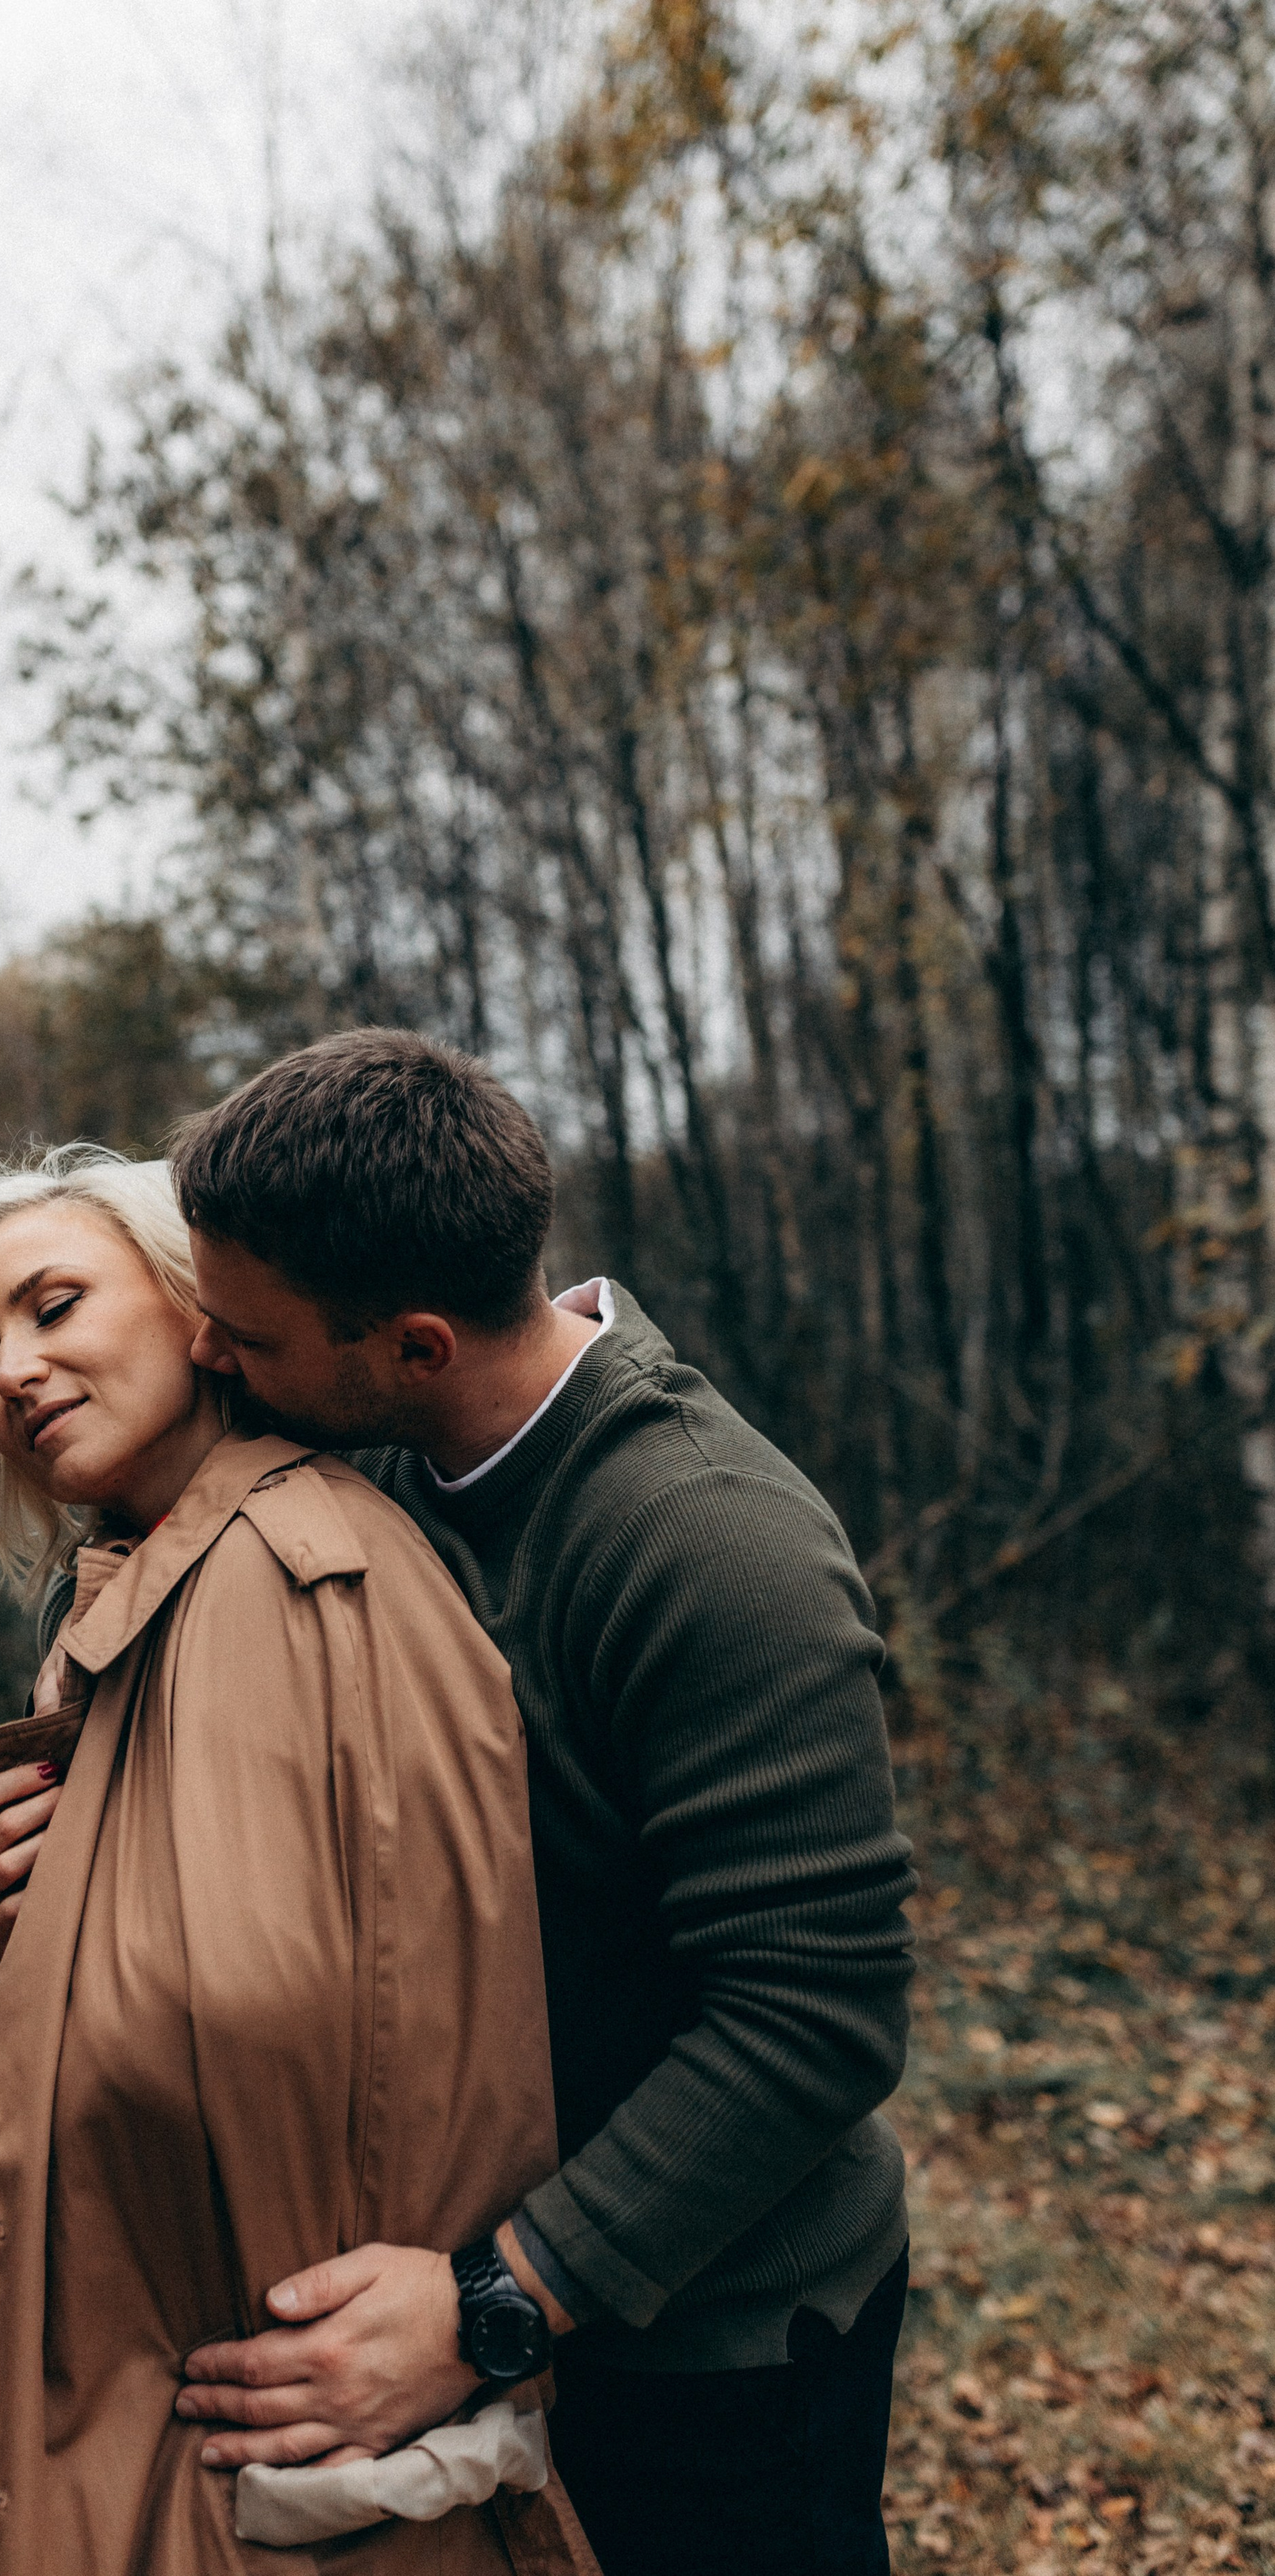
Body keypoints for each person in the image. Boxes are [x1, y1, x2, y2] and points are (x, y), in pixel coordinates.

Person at [167, 1031, 918, 2576]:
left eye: (245, 1335)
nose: (209, 1357)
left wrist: (496, 2301)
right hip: (490, 2285)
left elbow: (817, 2012)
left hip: (712, 2348)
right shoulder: (375, 1469)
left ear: (416, 1345)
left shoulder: (707, 1546)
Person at [0, 1146, 600, 2576]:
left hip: (244, 2392)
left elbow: (291, 2022)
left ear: (193, 1303)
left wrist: (1, 2074)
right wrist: (9, 1944)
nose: (13, 1370)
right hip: (157, 2367)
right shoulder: (146, 1571)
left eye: (55, 1305)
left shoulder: (289, 1567)